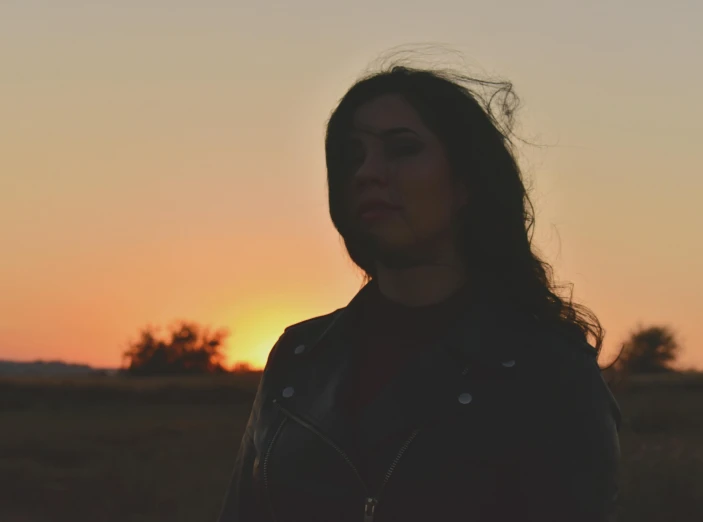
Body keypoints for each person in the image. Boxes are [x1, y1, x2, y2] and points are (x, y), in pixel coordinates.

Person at [216, 64, 621, 522]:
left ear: (466, 182)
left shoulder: (547, 368)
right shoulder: (299, 356)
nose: (367, 173)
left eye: (402, 149)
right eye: (352, 156)